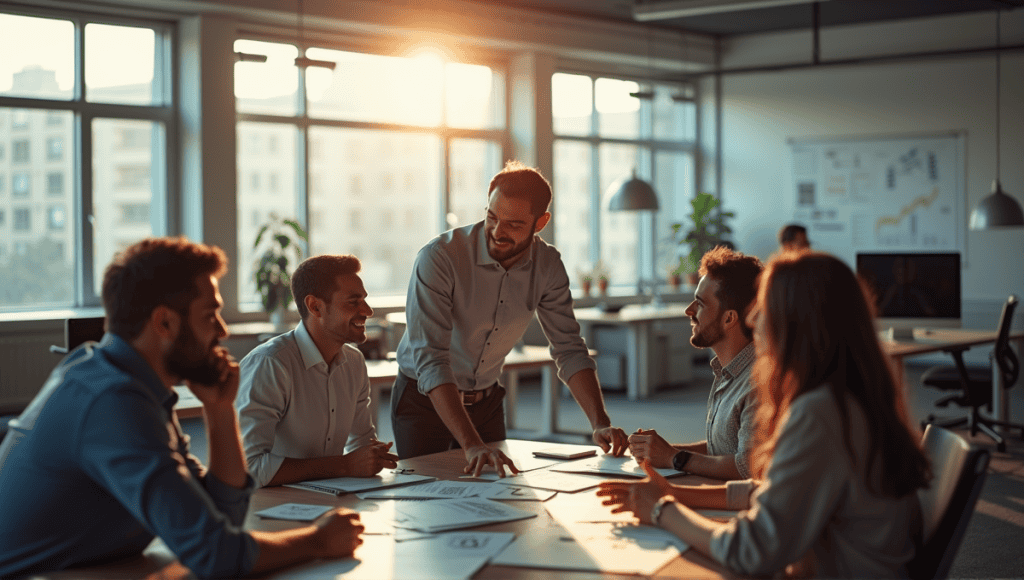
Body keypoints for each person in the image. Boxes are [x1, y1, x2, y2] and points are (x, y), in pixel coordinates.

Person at [0, 238, 363, 579]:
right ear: (165, 322)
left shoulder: (132, 386)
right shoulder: (112, 402)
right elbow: (215, 554)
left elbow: (223, 515)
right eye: (210, 315)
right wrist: (318, 540)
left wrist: (220, 411)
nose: (221, 331)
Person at [598, 251, 932, 578]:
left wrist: (662, 511)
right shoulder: (849, 397)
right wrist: (676, 493)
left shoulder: (820, 413)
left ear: (794, 321)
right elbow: (771, 491)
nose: (754, 320)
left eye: (763, 309)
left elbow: (752, 551)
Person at [392, 160, 628, 474]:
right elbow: (431, 360)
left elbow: (569, 348)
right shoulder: (440, 258)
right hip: (425, 402)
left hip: (487, 403)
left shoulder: (547, 265)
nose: (498, 232)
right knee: (425, 500)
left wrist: (600, 422)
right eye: (492, 217)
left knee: (500, 499)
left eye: (514, 225)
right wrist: (472, 444)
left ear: (540, 222)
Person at [237, 254, 398, 488]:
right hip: (269, 509)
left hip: (327, 499)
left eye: (364, 299)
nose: (368, 311)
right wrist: (344, 465)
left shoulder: (354, 362)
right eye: (353, 302)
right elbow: (248, 468)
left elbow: (361, 444)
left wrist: (372, 456)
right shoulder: (270, 364)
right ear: (315, 306)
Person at [628, 246, 762, 481]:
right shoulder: (729, 371)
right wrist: (661, 451)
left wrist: (674, 458)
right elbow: (723, 448)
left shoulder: (758, 382)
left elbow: (746, 467)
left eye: (700, 303)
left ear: (729, 318)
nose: (689, 310)